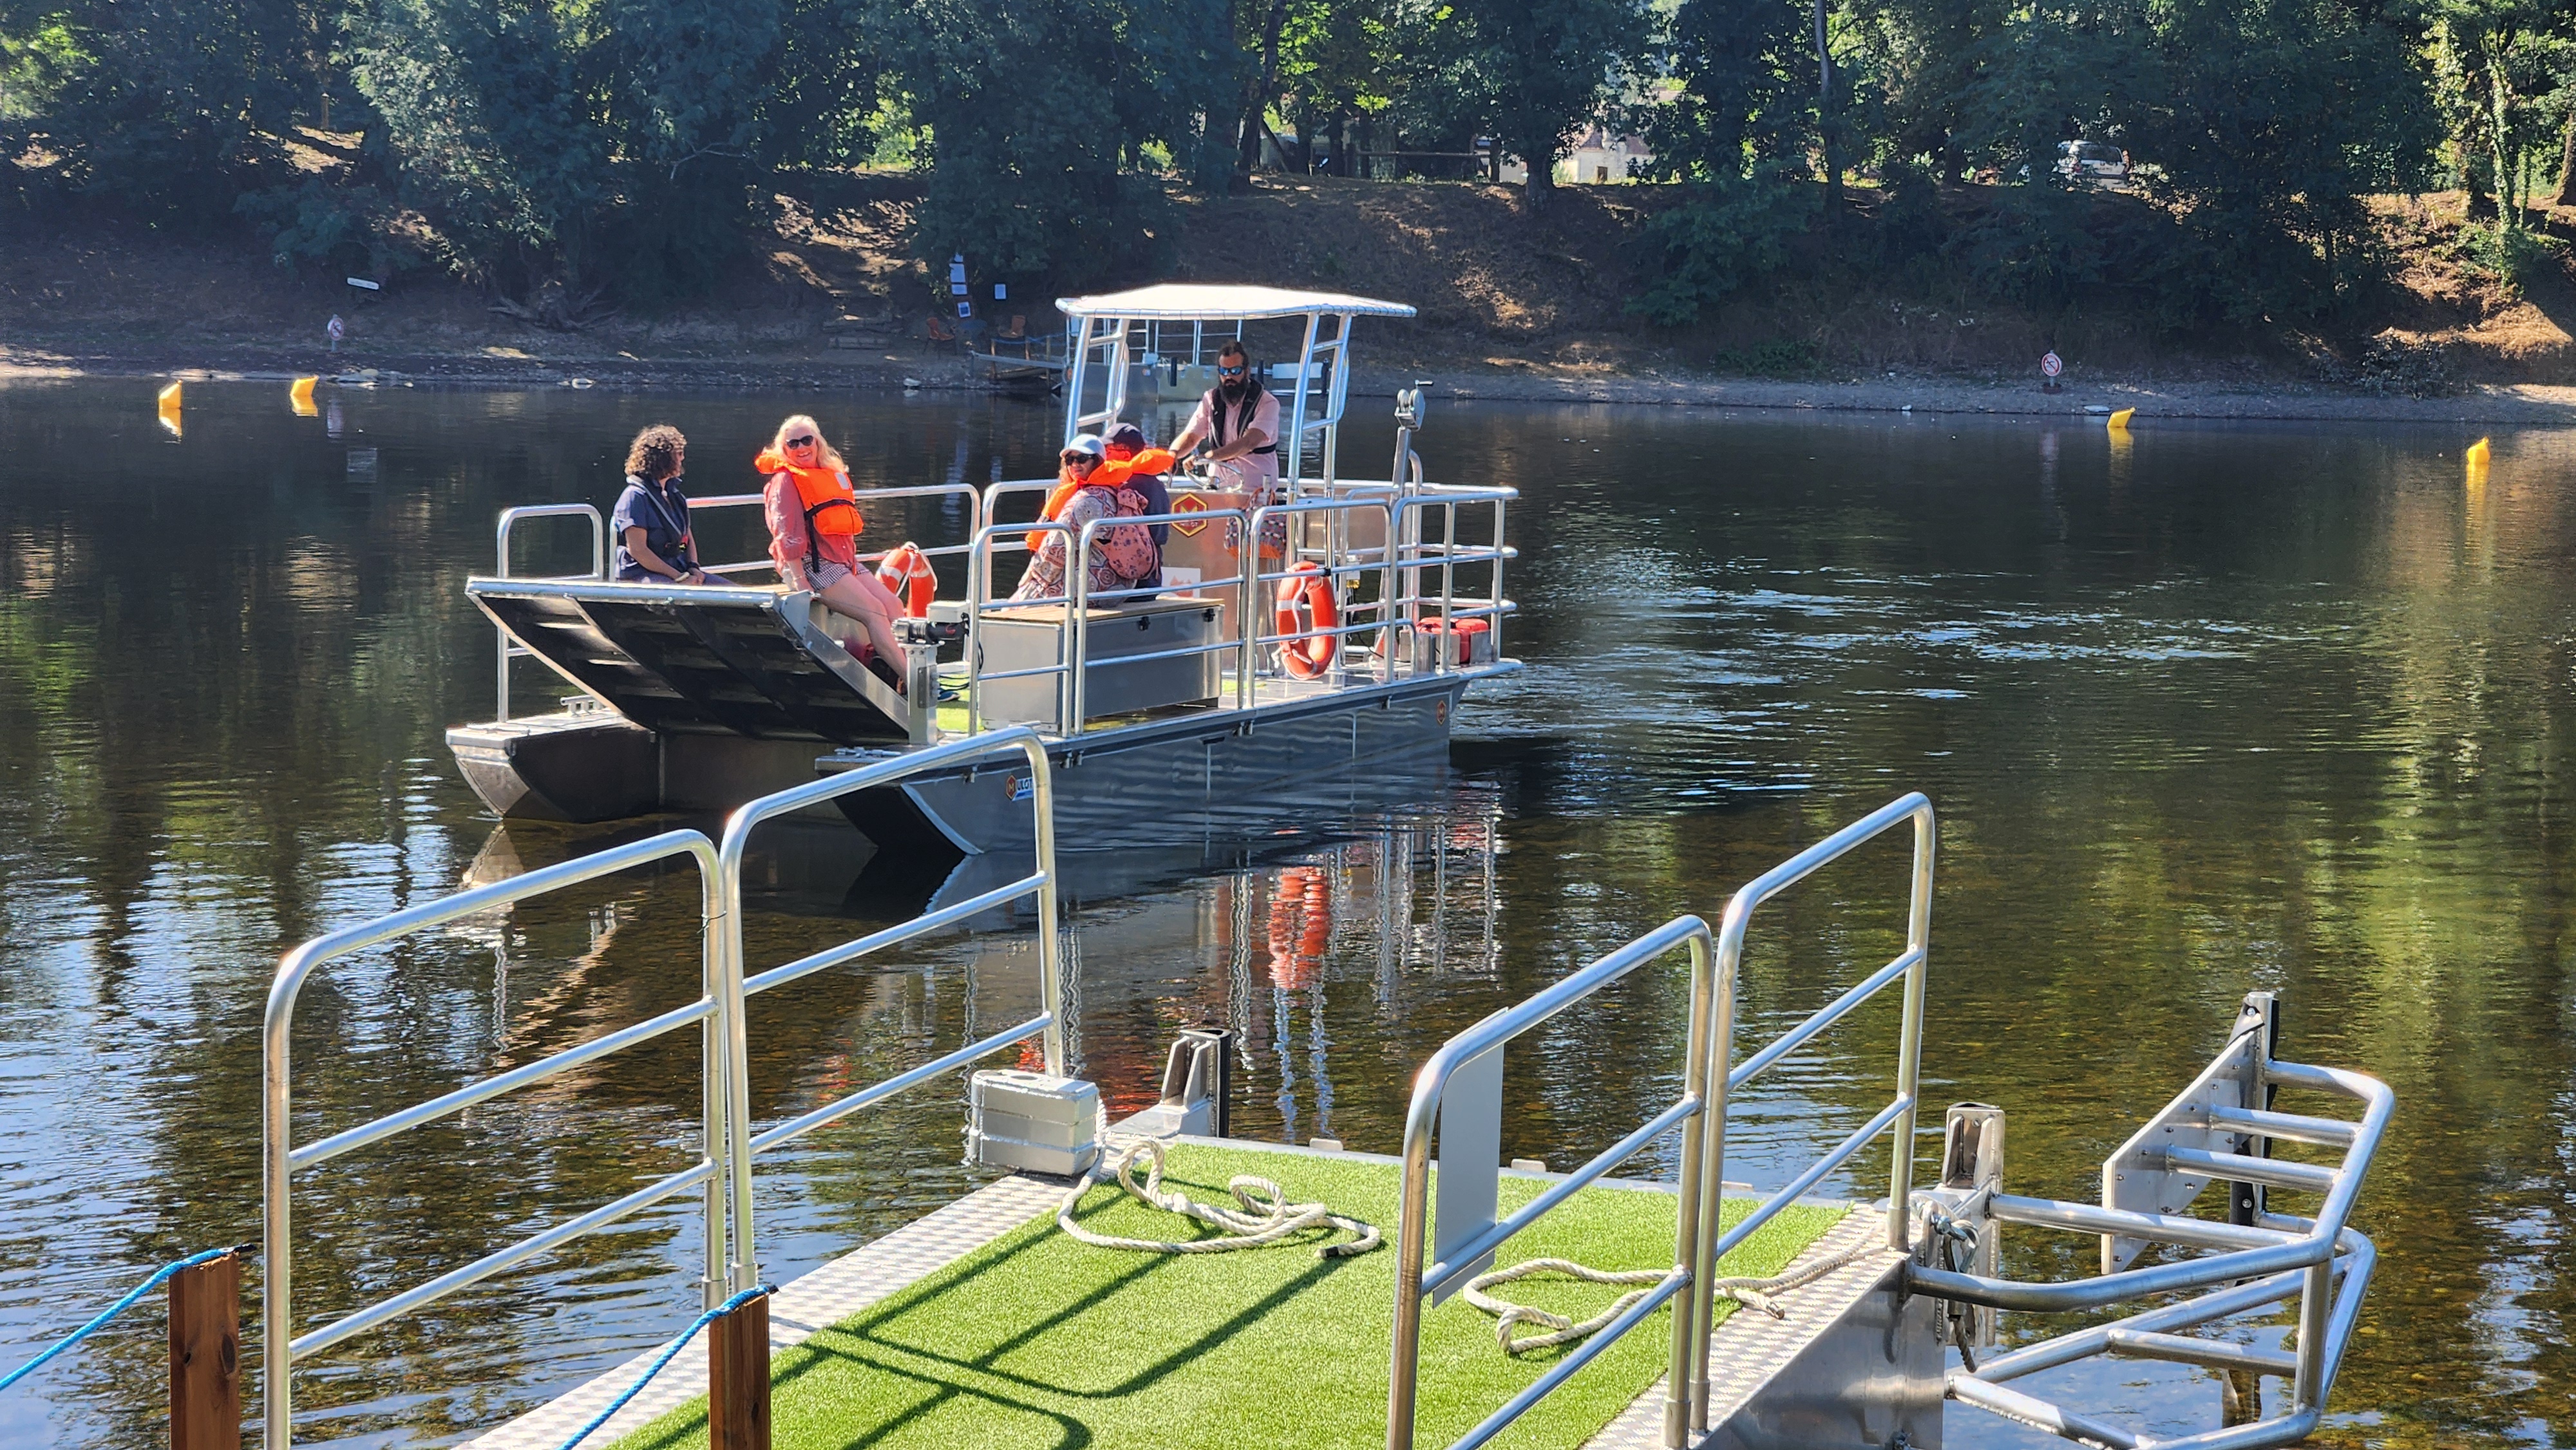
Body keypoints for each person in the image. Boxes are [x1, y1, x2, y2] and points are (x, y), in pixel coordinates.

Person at [757, 415, 907, 675]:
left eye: (807, 440)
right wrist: (800, 580)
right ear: (784, 449)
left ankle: (907, 673)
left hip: (844, 562)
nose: (802, 448)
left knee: (893, 606)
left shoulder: (828, 474)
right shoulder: (786, 481)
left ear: (818, 442)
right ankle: (914, 681)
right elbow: (786, 533)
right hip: (810, 564)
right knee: (875, 612)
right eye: (793, 444)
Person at [1014, 435, 1158, 603]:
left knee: (1027, 596)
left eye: (1082, 459)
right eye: (1070, 459)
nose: (1075, 464)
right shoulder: (1115, 491)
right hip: (1122, 587)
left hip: (1095, 590)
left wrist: (1027, 586)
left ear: (1097, 461)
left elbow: (1054, 549)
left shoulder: (1084, 501)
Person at [1170, 341, 1282, 502]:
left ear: (1247, 371)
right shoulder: (1211, 399)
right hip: (1218, 489)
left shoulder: (1268, 403)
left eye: (1235, 371)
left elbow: (1249, 442)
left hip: (1256, 493)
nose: (1229, 377)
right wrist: (1173, 454)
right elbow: (1192, 435)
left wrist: (1208, 457)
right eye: (1224, 371)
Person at [611, 424, 715, 584]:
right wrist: (677, 577)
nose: (682, 458)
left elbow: (685, 539)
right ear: (663, 459)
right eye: (679, 454)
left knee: (738, 596)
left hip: (678, 569)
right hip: (642, 574)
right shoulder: (634, 498)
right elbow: (638, 550)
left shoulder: (674, 495)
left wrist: (693, 567)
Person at [1104, 423, 1173, 592]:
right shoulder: (1155, 484)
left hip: (1132, 580)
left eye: (1108, 451)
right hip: (1151, 577)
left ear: (1125, 455)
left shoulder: (1128, 487)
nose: (1104, 457)